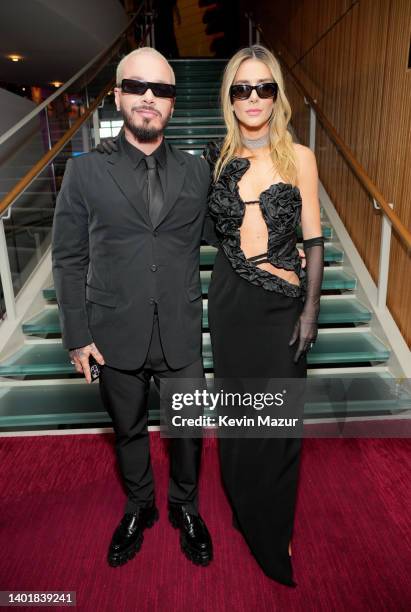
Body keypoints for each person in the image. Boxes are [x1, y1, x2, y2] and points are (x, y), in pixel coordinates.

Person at [51, 47, 214, 569]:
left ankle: (184, 507)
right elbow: (69, 257)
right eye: (137, 86)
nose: (149, 97)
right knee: (127, 431)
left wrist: (283, 245)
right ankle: (139, 504)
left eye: (162, 90)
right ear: (118, 94)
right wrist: (77, 334)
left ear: (172, 104)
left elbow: (224, 237)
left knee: (187, 432)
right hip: (112, 330)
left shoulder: (196, 172)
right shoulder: (83, 173)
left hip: (180, 330)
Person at [202, 44, 324, 587]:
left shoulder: (300, 156)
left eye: (263, 88)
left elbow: (314, 242)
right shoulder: (215, 159)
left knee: (278, 426)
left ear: (276, 96)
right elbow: (200, 231)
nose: (252, 98)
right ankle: (247, 508)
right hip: (230, 305)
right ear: (230, 98)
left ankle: (274, 528)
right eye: (241, 89)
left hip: (282, 308)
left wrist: (311, 312)